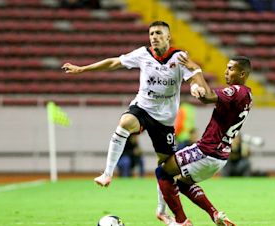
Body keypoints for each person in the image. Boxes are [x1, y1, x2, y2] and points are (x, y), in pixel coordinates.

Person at [61, 21, 210, 188]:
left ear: (168, 36)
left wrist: (196, 87)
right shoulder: (143, 54)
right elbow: (114, 62)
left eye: (159, 33)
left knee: (167, 167)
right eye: (152, 33)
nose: (154, 37)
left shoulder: (179, 56)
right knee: (125, 123)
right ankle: (107, 174)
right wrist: (83, 69)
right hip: (143, 108)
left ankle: (162, 211)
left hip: (165, 118)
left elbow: (192, 78)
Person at [155, 55, 253, 226]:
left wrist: (197, 70)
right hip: (219, 157)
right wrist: (197, 88)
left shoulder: (237, 91)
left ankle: (181, 221)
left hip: (206, 151)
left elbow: (207, 97)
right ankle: (215, 214)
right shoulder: (247, 96)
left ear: (243, 73)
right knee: (183, 184)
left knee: (162, 171)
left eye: (231, 68)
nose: (226, 71)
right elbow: (206, 97)